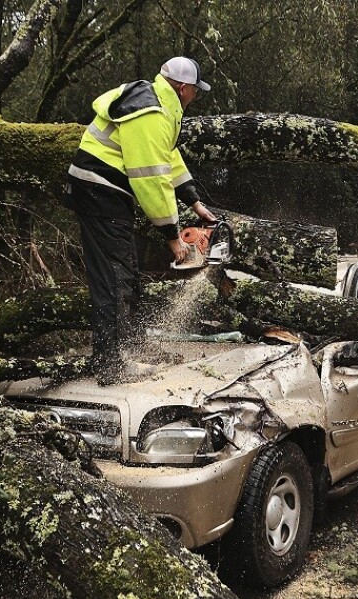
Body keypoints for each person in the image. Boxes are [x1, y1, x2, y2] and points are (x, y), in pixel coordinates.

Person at [63, 56, 217, 385]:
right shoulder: (151, 112)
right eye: (195, 91)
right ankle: (109, 363)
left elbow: (167, 157)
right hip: (98, 189)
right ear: (183, 87)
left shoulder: (159, 104)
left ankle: (134, 348)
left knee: (127, 270)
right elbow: (150, 179)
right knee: (113, 278)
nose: (195, 97)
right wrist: (173, 237)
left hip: (103, 189)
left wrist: (195, 201)